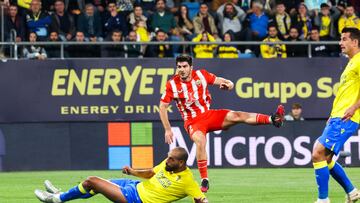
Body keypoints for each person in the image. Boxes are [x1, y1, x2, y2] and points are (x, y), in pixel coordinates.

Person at [159, 54, 285, 193]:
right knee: (200, 141)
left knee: (237, 115)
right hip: (193, 122)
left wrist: (229, 85)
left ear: (191, 67)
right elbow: (162, 107)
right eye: (179, 67)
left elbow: (226, 82)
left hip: (209, 115)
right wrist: (168, 129)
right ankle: (204, 179)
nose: (181, 69)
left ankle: (273, 119)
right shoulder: (172, 84)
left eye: (184, 66)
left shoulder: (201, 75)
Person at [34, 147, 208, 203]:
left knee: (92, 181)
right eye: (168, 157)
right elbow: (150, 173)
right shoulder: (167, 165)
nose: (167, 160)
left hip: (135, 199)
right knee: (93, 186)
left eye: (171, 159)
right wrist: (132, 171)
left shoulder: (187, 181)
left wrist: (199, 200)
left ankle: (56, 199)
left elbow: (201, 199)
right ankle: (60, 196)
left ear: (181, 163)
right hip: (134, 186)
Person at [312, 27, 360, 203]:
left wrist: (354, 107)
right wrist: (332, 114)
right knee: (326, 157)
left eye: (344, 39)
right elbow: (345, 93)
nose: (340, 43)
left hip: (347, 117)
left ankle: (323, 200)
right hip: (338, 116)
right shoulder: (351, 62)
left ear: (355, 42)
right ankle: (352, 191)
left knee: (318, 153)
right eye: (340, 39)